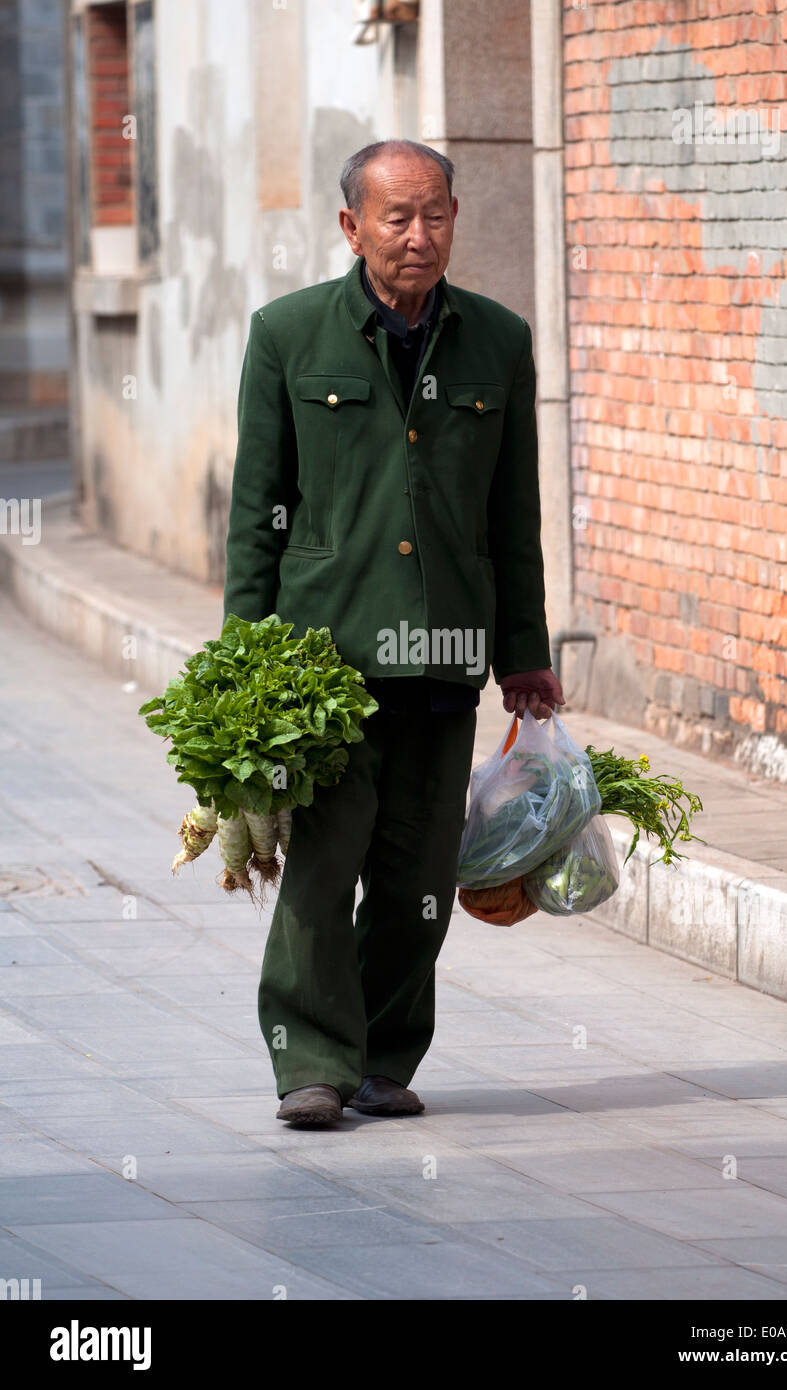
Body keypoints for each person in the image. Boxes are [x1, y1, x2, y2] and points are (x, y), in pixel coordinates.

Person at [222, 139, 564, 1128]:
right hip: (323, 661)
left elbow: (513, 513)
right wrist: (242, 666)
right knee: (325, 869)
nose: (419, 237)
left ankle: (384, 1054)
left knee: (417, 876)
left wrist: (524, 652)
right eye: (396, 218)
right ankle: (311, 1064)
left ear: (455, 217)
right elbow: (257, 509)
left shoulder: (495, 340)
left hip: (447, 653)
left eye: (436, 216)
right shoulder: (287, 335)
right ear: (351, 226)